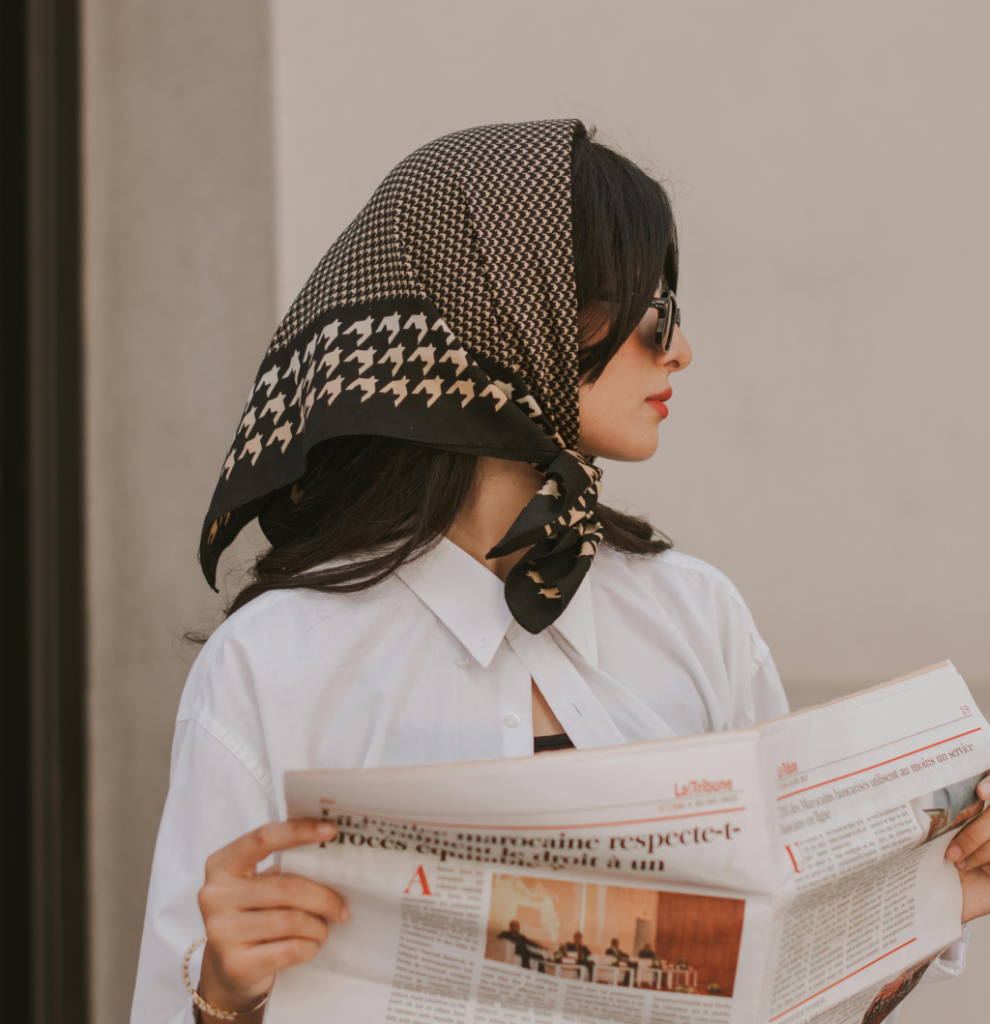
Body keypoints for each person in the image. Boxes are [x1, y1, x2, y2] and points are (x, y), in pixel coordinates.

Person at [129, 120, 990, 1024]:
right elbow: (168, 1001)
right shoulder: (272, 666)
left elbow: (782, 994)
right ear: (511, 313)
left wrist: (934, 897)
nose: (680, 351)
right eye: (654, 314)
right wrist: (223, 1000)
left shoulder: (694, 616)